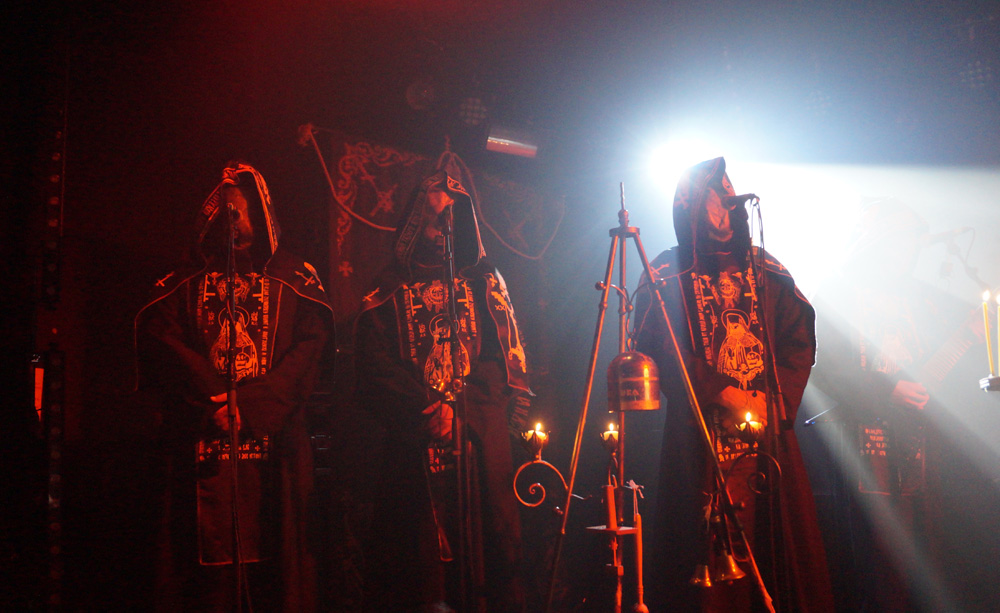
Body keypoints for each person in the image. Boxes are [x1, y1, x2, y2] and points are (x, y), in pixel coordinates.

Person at [632, 157, 834, 612]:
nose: (728, 200)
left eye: (729, 191)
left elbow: (799, 340)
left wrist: (774, 402)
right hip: (700, 437)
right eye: (715, 192)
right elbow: (656, 344)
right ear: (691, 203)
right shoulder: (667, 272)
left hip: (768, 433)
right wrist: (720, 391)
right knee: (705, 558)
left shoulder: (765, 268)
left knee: (781, 546)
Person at [136, 162, 333, 611]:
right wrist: (216, 397)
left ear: (260, 216)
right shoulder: (183, 283)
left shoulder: (294, 280)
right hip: (202, 444)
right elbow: (161, 339)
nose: (233, 222)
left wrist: (251, 404)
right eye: (225, 212)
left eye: (241, 212)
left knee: (278, 565)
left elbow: (310, 348)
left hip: (275, 448)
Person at [354, 170, 531, 612]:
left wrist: (461, 411)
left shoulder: (483, 282)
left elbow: (502, 364)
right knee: (416, 562)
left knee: (490, 550)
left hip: (479, 442)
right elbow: (374, 367)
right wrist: (428, 408)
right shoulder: (387, 289)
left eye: (450, 218)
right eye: (433, 219)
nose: (441, 229)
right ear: (416, 221)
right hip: (414, 440)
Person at [804, 198, 985, 612]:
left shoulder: (920, 298)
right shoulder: (836, 292)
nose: (910, 253)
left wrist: (970, 338)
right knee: (873, 553)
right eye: (901, 242)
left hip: (917, 444)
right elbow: (821, 366)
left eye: (913, 244)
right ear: (877, 243)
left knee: (924, 549)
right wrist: (884, 392)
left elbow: (930, 372)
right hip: (858, 441)